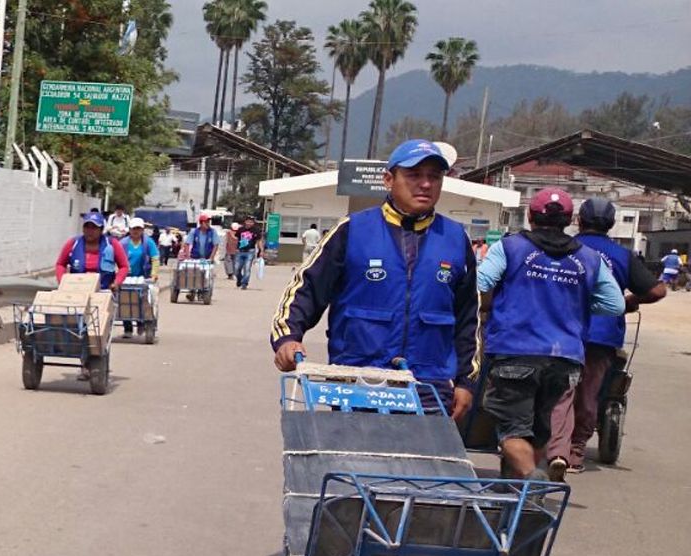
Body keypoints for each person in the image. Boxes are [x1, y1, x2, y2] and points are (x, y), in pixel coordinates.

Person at [271, 139, 479, 419]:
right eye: (414, 175)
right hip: (358, 380)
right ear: (388, 180)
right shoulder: (352, 230)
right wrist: (287, 337)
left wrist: (466, 381)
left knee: (420, 463)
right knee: (355, 463)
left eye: (434, 177)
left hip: (430, 386)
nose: (426, 184)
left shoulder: (455, 239)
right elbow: (306, 288)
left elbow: (468, 318)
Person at [477, 187, 625, 481]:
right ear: (569, 221)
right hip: (564, 357)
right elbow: (615, 304)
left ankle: (531, 475)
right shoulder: (589, 258)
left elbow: (480, 282)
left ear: (530, 216)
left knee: (512, 430)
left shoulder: (510, 247)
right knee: (539, 428)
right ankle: (521, 497)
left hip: (514, 352)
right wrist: (575, 297)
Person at [545, 198, 666, 475]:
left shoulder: (564, 247)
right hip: (602, 335)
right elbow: (657, 291)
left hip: (559, 329)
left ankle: (554, 448)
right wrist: (628, 301)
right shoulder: (621, 255)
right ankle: (576, 451)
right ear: (611, 224)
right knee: (590, 391)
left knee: (558, 389)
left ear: (579, 220)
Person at [55, 211, 130, 290]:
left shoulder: (112, 244)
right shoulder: (73, 243)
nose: (89, 231)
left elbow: (124, 266)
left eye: (94, 227)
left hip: (104, 290)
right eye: (87, 227)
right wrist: (62, 281)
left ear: (101, 230)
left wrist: (117, 282)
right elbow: (60, 264)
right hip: (77, 289)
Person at [120, 217, 160, 338]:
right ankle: (127, 328)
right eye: (133, 229)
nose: (136, 231)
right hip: (127, 277)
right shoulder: (123, 243)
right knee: (124, 300)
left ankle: (141, 322)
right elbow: (116, 259)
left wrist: (154, 274)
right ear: (130, 230)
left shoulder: (148, 243)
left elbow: (155, 258)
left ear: (142, 230)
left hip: (143, 276)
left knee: (143, 301)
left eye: (138, 229)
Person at [234, 215, 264, 289]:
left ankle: (244, 283)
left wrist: (261, 251)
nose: (249, 223)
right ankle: (239, 279)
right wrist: (235, 248)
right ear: (245, 222)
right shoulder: (240, 229)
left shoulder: (256, 230)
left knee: (247, 268)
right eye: (248, 221)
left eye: (251, 222)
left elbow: (259, 241)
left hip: (250, 251)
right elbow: (236, 239)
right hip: (240, 251)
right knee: (236, 268)